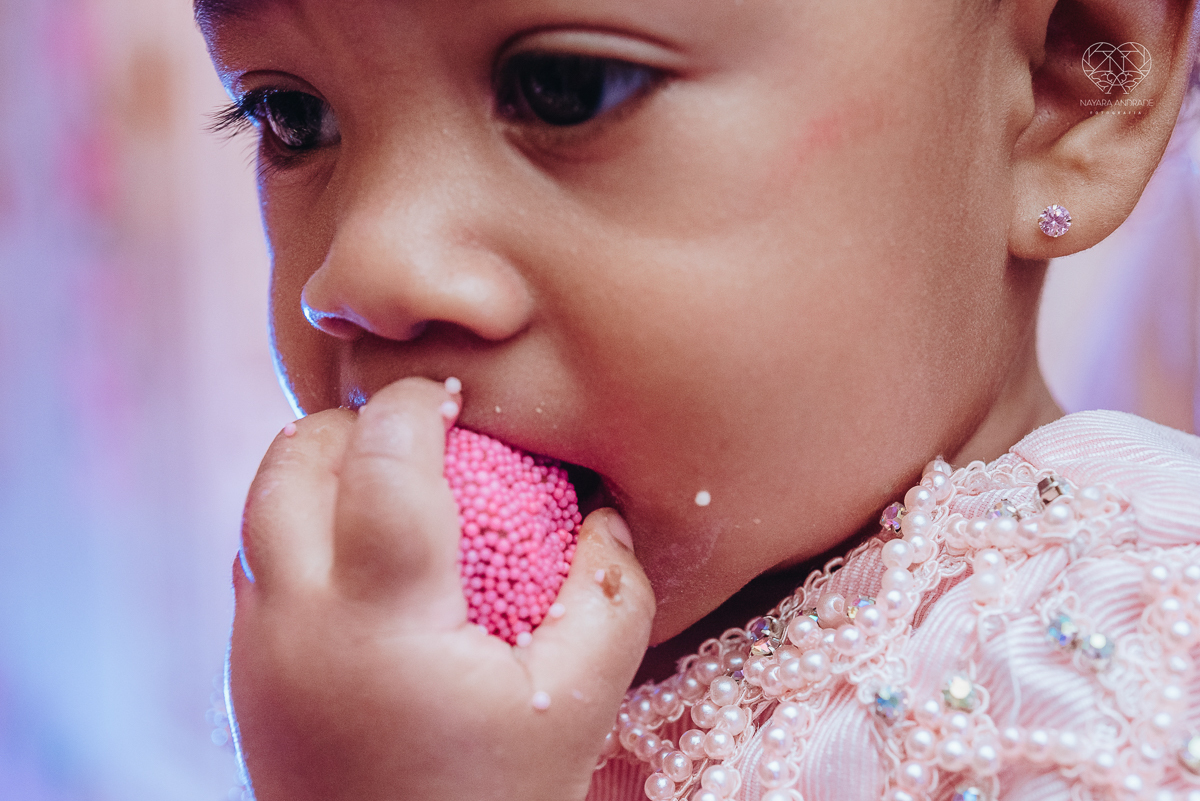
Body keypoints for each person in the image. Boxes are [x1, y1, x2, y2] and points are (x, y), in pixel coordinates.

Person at [196, 0, 1200, 798]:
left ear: (1070, 84)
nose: (357, 271)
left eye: (565, 86)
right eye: (292, 115)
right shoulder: (375, 672)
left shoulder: (1121, 667)